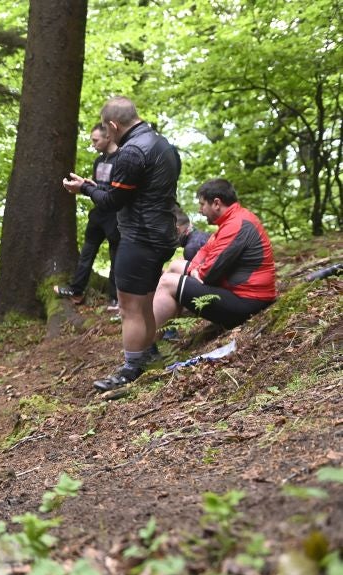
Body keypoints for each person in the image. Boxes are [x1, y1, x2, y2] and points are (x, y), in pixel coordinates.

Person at [63, 96, 180, 391]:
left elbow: (112, 202)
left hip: (140, 237)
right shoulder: (162, 144)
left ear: (114, 125)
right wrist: (95, 186)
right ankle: (149, 352)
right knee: (145, 302)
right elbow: (136, 192)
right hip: (162, 233)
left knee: (129, 308)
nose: (107, 133)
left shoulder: (131, 153)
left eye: (106, 128)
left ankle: (131, 368)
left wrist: (84, 188)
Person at [152, 179, 276, 334]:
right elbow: (204, 251)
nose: (200, 210)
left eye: (202, 204)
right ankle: (169, 331)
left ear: (217, 203)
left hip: (250, 301)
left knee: (167, 282)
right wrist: (196, 270)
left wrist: (198, 271)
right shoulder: (232, 220)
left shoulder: (236, 225)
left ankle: (148, 345)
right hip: (239, 292)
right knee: (176, 265)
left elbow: (208, 274)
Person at [53, 123, 121, 309]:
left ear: (108, 137)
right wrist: (85, 186)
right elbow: (98, 187)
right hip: (98, 213)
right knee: (86, 252)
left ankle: (115, 298)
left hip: (115, 215)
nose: (93, 144)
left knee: (116, 256)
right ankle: (77, 290)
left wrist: (91, 188)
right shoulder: (98, 161)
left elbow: (117, 191)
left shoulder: (122, 159)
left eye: (95, 140)